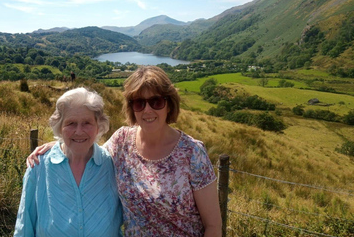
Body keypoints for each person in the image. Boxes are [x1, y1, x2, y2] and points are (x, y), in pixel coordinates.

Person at [28, 66, 222, 237]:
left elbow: (213, 226)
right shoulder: (122, 141)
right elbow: (87, 149)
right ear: (132, 108)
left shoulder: (192, 153)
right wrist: (59, 145)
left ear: (169, 103)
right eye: (139, 103)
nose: (147, 110)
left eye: (156, 102)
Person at [15, 87, 123, 237]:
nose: (79, 131)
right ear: (59, 127)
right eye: (71, 123)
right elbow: (24, 226)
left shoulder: (112, 164)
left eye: (87, 123)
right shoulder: (38, 166)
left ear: (99, 126)